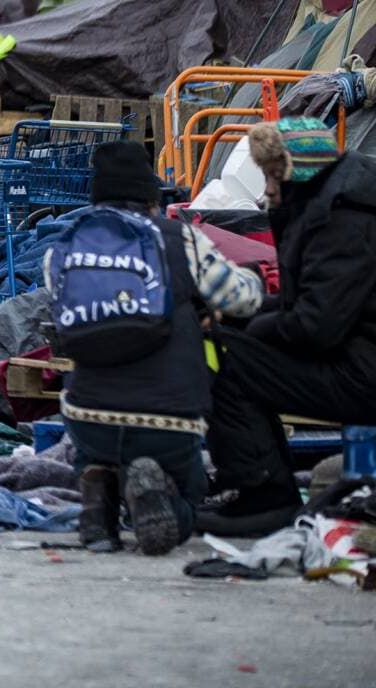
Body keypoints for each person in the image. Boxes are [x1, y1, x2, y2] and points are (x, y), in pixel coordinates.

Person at [51, 142, 263, 555]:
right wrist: (251, 278)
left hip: (88, 413)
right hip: (170, 420)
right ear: (151, 198)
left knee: (94, 451)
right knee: (188, 499)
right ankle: (162, 494)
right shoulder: (179, 239)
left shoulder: (68, 245)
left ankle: (97, 502)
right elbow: (241, 300)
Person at [201, 118, 376, 536]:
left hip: (362, 374)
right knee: (226, 337)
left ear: (291, 170)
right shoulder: (338, 200)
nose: (265, 192)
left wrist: (250, 328)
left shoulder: (342, 216)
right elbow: (312, 304)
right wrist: (243, 313)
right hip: (360, 358)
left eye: (269, 177)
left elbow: (318, 325)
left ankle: (262, 494)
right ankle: (262, 482)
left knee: (218, 353)